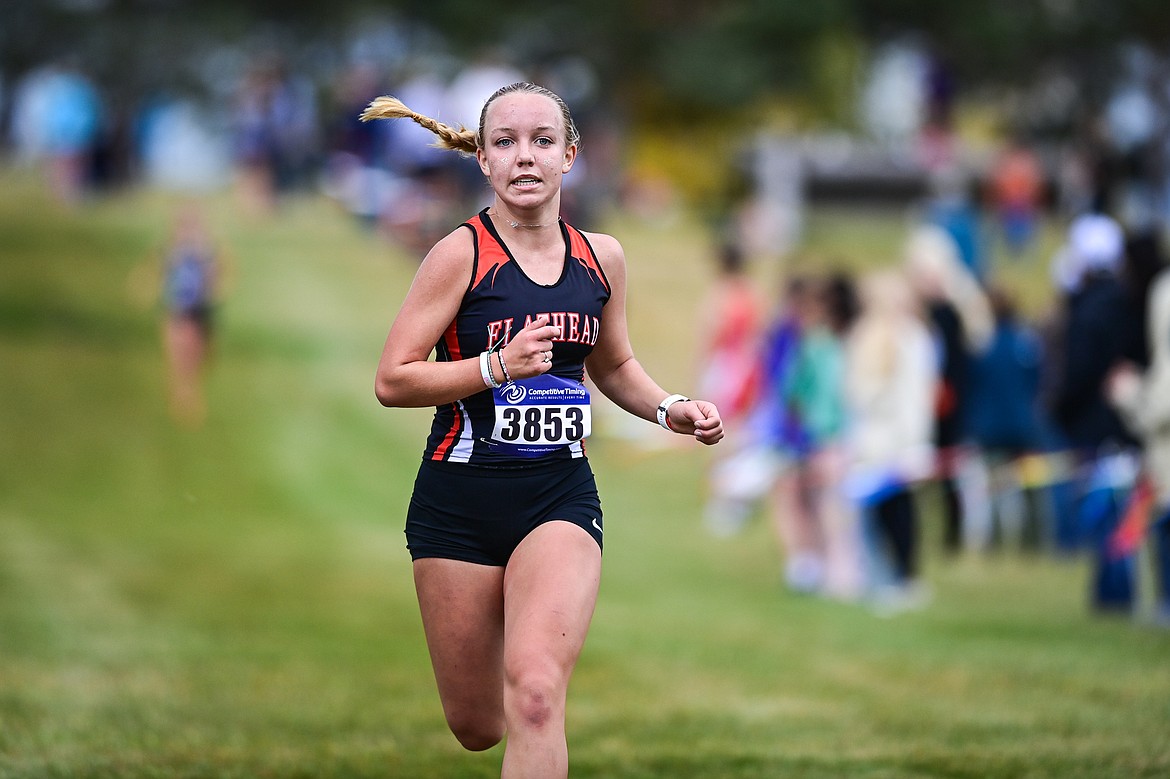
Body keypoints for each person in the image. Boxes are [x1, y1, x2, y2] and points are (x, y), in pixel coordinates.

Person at [359, 82, 724, 778]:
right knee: (477, 724)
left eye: (542, 141)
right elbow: (393, 379)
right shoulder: (458, 255)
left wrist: (668, 407)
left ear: (570, 157)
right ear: (485, 162)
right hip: (457, 504)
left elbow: (614, 364)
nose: (524, 157)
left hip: (558, 496)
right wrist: (495, 365)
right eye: (505, 142)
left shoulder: (602, 258)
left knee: (534, 694)